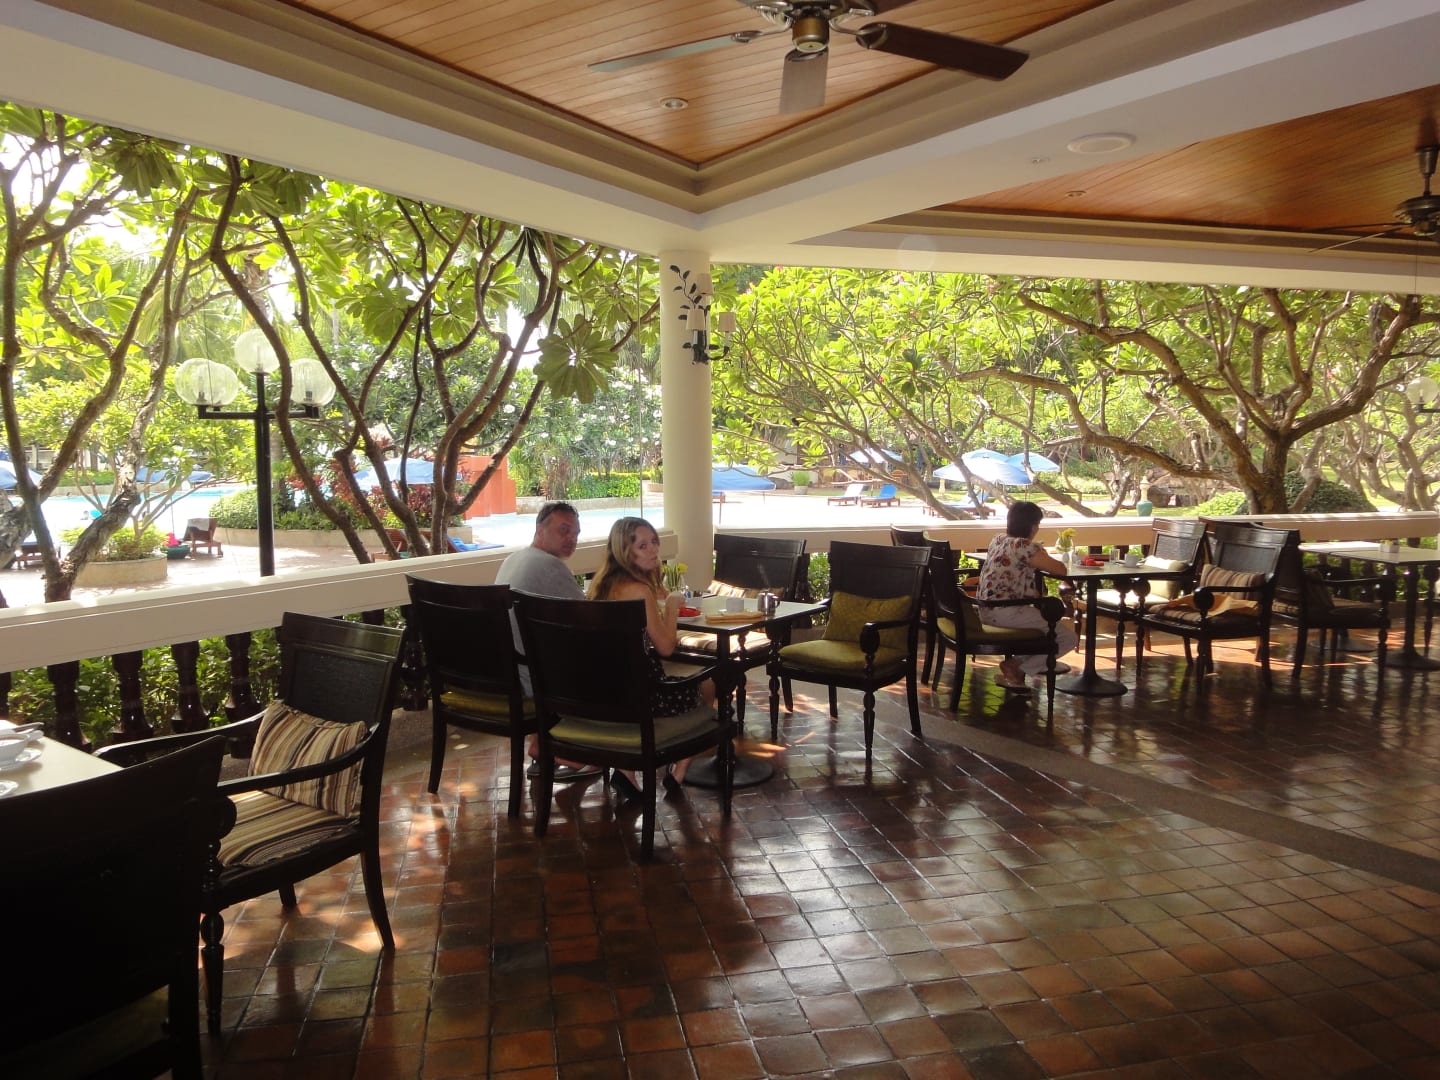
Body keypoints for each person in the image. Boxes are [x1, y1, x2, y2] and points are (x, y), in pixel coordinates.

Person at [589, 516, 716, 796]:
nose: (654, 550)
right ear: (625, 552)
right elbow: (666, 648)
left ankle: (626, 772)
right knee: (708, 684)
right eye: (643, 546)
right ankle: (679, 771)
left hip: (605, 691)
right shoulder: (638, 590)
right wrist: (671, 605)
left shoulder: (600, 587)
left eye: (654, 542)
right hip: (645, 696)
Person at [494, 501, 598, 781]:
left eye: (576, 533)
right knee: (610, 664)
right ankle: (572, 750)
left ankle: (542, 741)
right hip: (534, 678)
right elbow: (590, 621)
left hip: (510, 671)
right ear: (540, 530)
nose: (571, 538)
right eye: (564, 530)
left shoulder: (514, 559)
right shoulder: (549, 566)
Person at [975, 500, 1078, 690]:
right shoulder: (1024, 546)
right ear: (1033, 527)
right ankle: (1018, 667)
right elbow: (1060, 569)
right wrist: (1040, 551)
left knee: (1045, 627)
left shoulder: (998, 539)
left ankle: (1016, 665)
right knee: (1068, 638)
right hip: (1007, 612)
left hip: (985, 610)